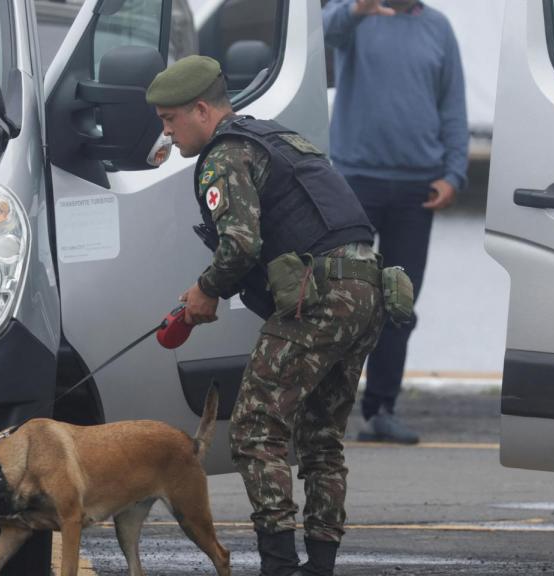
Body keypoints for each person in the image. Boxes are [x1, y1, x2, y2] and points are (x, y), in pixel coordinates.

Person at [146, 55, 386, 576]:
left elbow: (238, 245)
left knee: (256, 428)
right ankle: (319, 566)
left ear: (202, 110)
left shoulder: (223, 155)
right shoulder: (274, 138)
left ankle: (277, 565)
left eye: (170, 120)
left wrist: (205, 291)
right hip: (368, 288)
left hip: (318, 295)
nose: (165, 132)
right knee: (322, 437)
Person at [323, 0, 468, 445]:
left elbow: (452, 106)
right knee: (344, 300)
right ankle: (326, 408)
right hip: (356, 183)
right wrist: (356, 9)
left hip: (416, 189)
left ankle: (381, 408)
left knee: (399, 303)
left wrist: (454, 172)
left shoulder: (439, 28)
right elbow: (323, 34)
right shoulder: (354, 17)